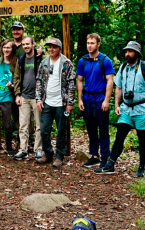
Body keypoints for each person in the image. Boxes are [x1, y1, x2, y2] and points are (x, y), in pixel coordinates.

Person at [94, 41, 145, 177]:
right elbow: (118, 88)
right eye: (126, 51)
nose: (127, 54)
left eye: (130, 51)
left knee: (142, 138)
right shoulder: (123, 68)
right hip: (126, 109)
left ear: (137, 53)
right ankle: (110, 164)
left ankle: (141, 167)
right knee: (120, 136)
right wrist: (117, 105)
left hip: (141, 108)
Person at [35, 38, 76, 168]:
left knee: (61, 131)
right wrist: (38, 99)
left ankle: (59, 156)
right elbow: (39, 81)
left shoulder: (66, 63)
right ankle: (47, 153)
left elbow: (71, 83)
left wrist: (70, 102)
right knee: (44, 129)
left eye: (54, 47)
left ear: (59, 49)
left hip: (61, 103)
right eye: (49, 47)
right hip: (47, 101)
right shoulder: (44, 62)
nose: (51, 49)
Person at [77, 33, 115, 169]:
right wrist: (79, 99)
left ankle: (105, 157)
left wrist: (107, 100)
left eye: (92, 43)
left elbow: (110, 80)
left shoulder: (105, 60)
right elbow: (80, 80)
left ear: (98, 44)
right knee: (91, 129)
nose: (90, 45)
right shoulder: (83, 60)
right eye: (88, 43)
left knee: (103, 129)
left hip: (100, 99)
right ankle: (94, 156)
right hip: (87, 99)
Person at [13, 36, 43, 160]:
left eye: (28, 44)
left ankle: (38, 149)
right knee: (23, 125)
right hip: (24, 96)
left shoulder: (40, 57)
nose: (25, 46)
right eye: (24, 45)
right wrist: (17, 94)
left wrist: (42, 54)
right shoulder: (21, 59)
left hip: (37, 97)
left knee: (39, 125)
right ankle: (23, 150)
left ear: (33, 44)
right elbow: (16, 77)